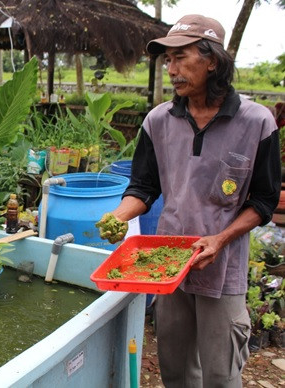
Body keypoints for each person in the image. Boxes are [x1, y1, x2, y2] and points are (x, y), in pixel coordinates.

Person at [98, 14, 282, 387]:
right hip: (167, 268)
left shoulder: (256, 122)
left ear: (212, 60)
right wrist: (118, 216)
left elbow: (263, 201)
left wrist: (220, 239)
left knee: (220, 374)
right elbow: (143, 188)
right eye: (168, 60)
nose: (172, 69)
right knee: (176, 371)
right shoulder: (158, 122)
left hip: (222, 269)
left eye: (181, 57)